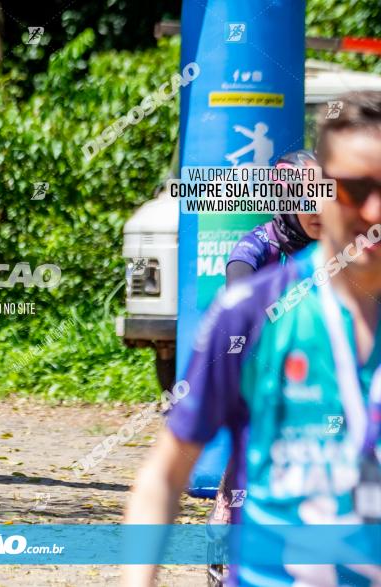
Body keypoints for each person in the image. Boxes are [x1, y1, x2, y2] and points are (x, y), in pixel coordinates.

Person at [124, 90, 381, 586]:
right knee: (234, 478)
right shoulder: (250, 294)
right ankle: (220, 553)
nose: (373, 209)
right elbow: (163, 474)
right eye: (351, 188)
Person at [206, 150, 324, 586]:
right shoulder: (255, 247)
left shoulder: (334, 249)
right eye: (306, 198)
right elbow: (241, 308)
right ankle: (224, 534)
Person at [226, 150, 322, 285]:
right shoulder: (260, 242)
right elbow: (236, 292)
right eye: (308, 203)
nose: (319, 212)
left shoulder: (345, 243)